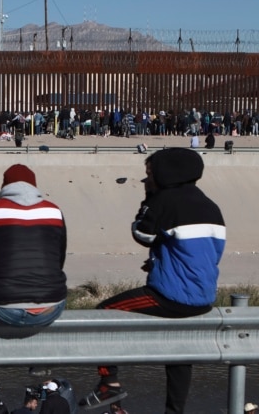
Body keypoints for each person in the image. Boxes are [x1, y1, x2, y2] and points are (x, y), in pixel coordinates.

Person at [78, 148, 226, 413]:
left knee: (103, 313)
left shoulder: (165, 200)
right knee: (180, 353)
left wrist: (148, 201)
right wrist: (161, 260)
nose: (147, 179)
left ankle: (108, 383)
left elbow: (142, 234)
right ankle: (174, 410)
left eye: (149, 174)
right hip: (203, 298)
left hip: (171, 296)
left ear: (164, 174)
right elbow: (199, 251)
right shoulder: (211, 206)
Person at [0, 164, 67, 328]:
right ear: (34, 185)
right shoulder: (54, 211)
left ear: (4, 186)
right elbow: (59, 261)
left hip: (3, 310)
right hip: (52, 307)